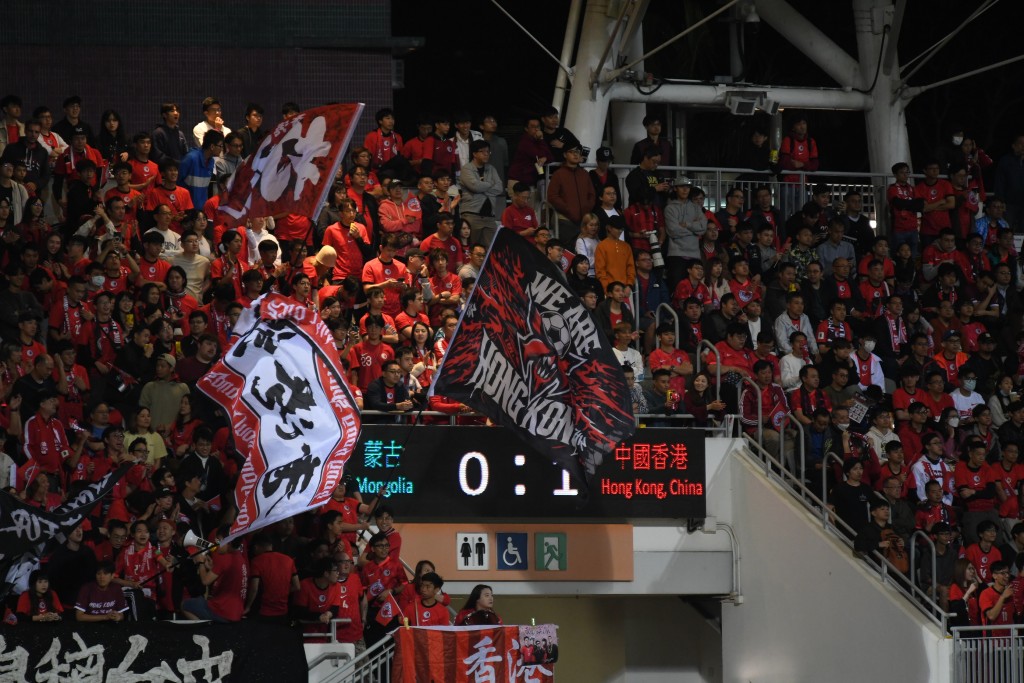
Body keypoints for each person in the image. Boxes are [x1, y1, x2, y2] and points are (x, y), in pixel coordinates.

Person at [181, 526, 248, 623]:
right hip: (236, 612)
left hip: (223, 611)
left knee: (185, 605)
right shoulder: (239, 557)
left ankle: (204, 629)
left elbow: (205, 581)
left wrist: (201, 563)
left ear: (228, 541)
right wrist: (210, 566)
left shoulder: (225, 558)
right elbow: (225, 573)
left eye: (218, 540)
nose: (216, 543)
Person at [245, 534, 300, 623]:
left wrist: (248, 607)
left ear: (255, 547)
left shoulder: (256, 561)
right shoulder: (288, 560)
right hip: (283, 612)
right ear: (271, 546)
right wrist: (282, 591)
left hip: (263, 612)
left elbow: (254, 588)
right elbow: (297, 586)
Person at [459, 140, 504, 247]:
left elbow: (499, 188)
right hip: (472, 215)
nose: (486, 154)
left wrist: (482, 185)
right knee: (471, 248)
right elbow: (475, 186)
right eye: (482, 151)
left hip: (490, 217)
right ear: (474, 154)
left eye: (488, 152)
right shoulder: (467, 169)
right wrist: (489, 184)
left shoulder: (491, 169)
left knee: (491, 250)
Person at [979, 561, 1015, 636]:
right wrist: (1002, 597)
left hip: (1010, 642)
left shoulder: (1010, 594)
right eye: (1003, 573)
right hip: (992, 643)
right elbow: (991, 616)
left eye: (1008, 572)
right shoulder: (986, 594)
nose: (1007, 576)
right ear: (994, 576)